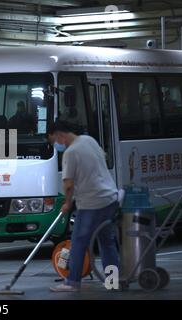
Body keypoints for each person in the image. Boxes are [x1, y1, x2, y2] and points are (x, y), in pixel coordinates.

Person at [49, 120, 119, 292]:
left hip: (91, 203)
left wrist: (67, 203)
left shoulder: (71, 153)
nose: (56, 144)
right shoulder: (89, 140)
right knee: (107, 242)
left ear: (60, 135)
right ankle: (113, 281)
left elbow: (68, 184)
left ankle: (72, 282)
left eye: (54, 140)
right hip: (110, 198)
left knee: (79, 241)